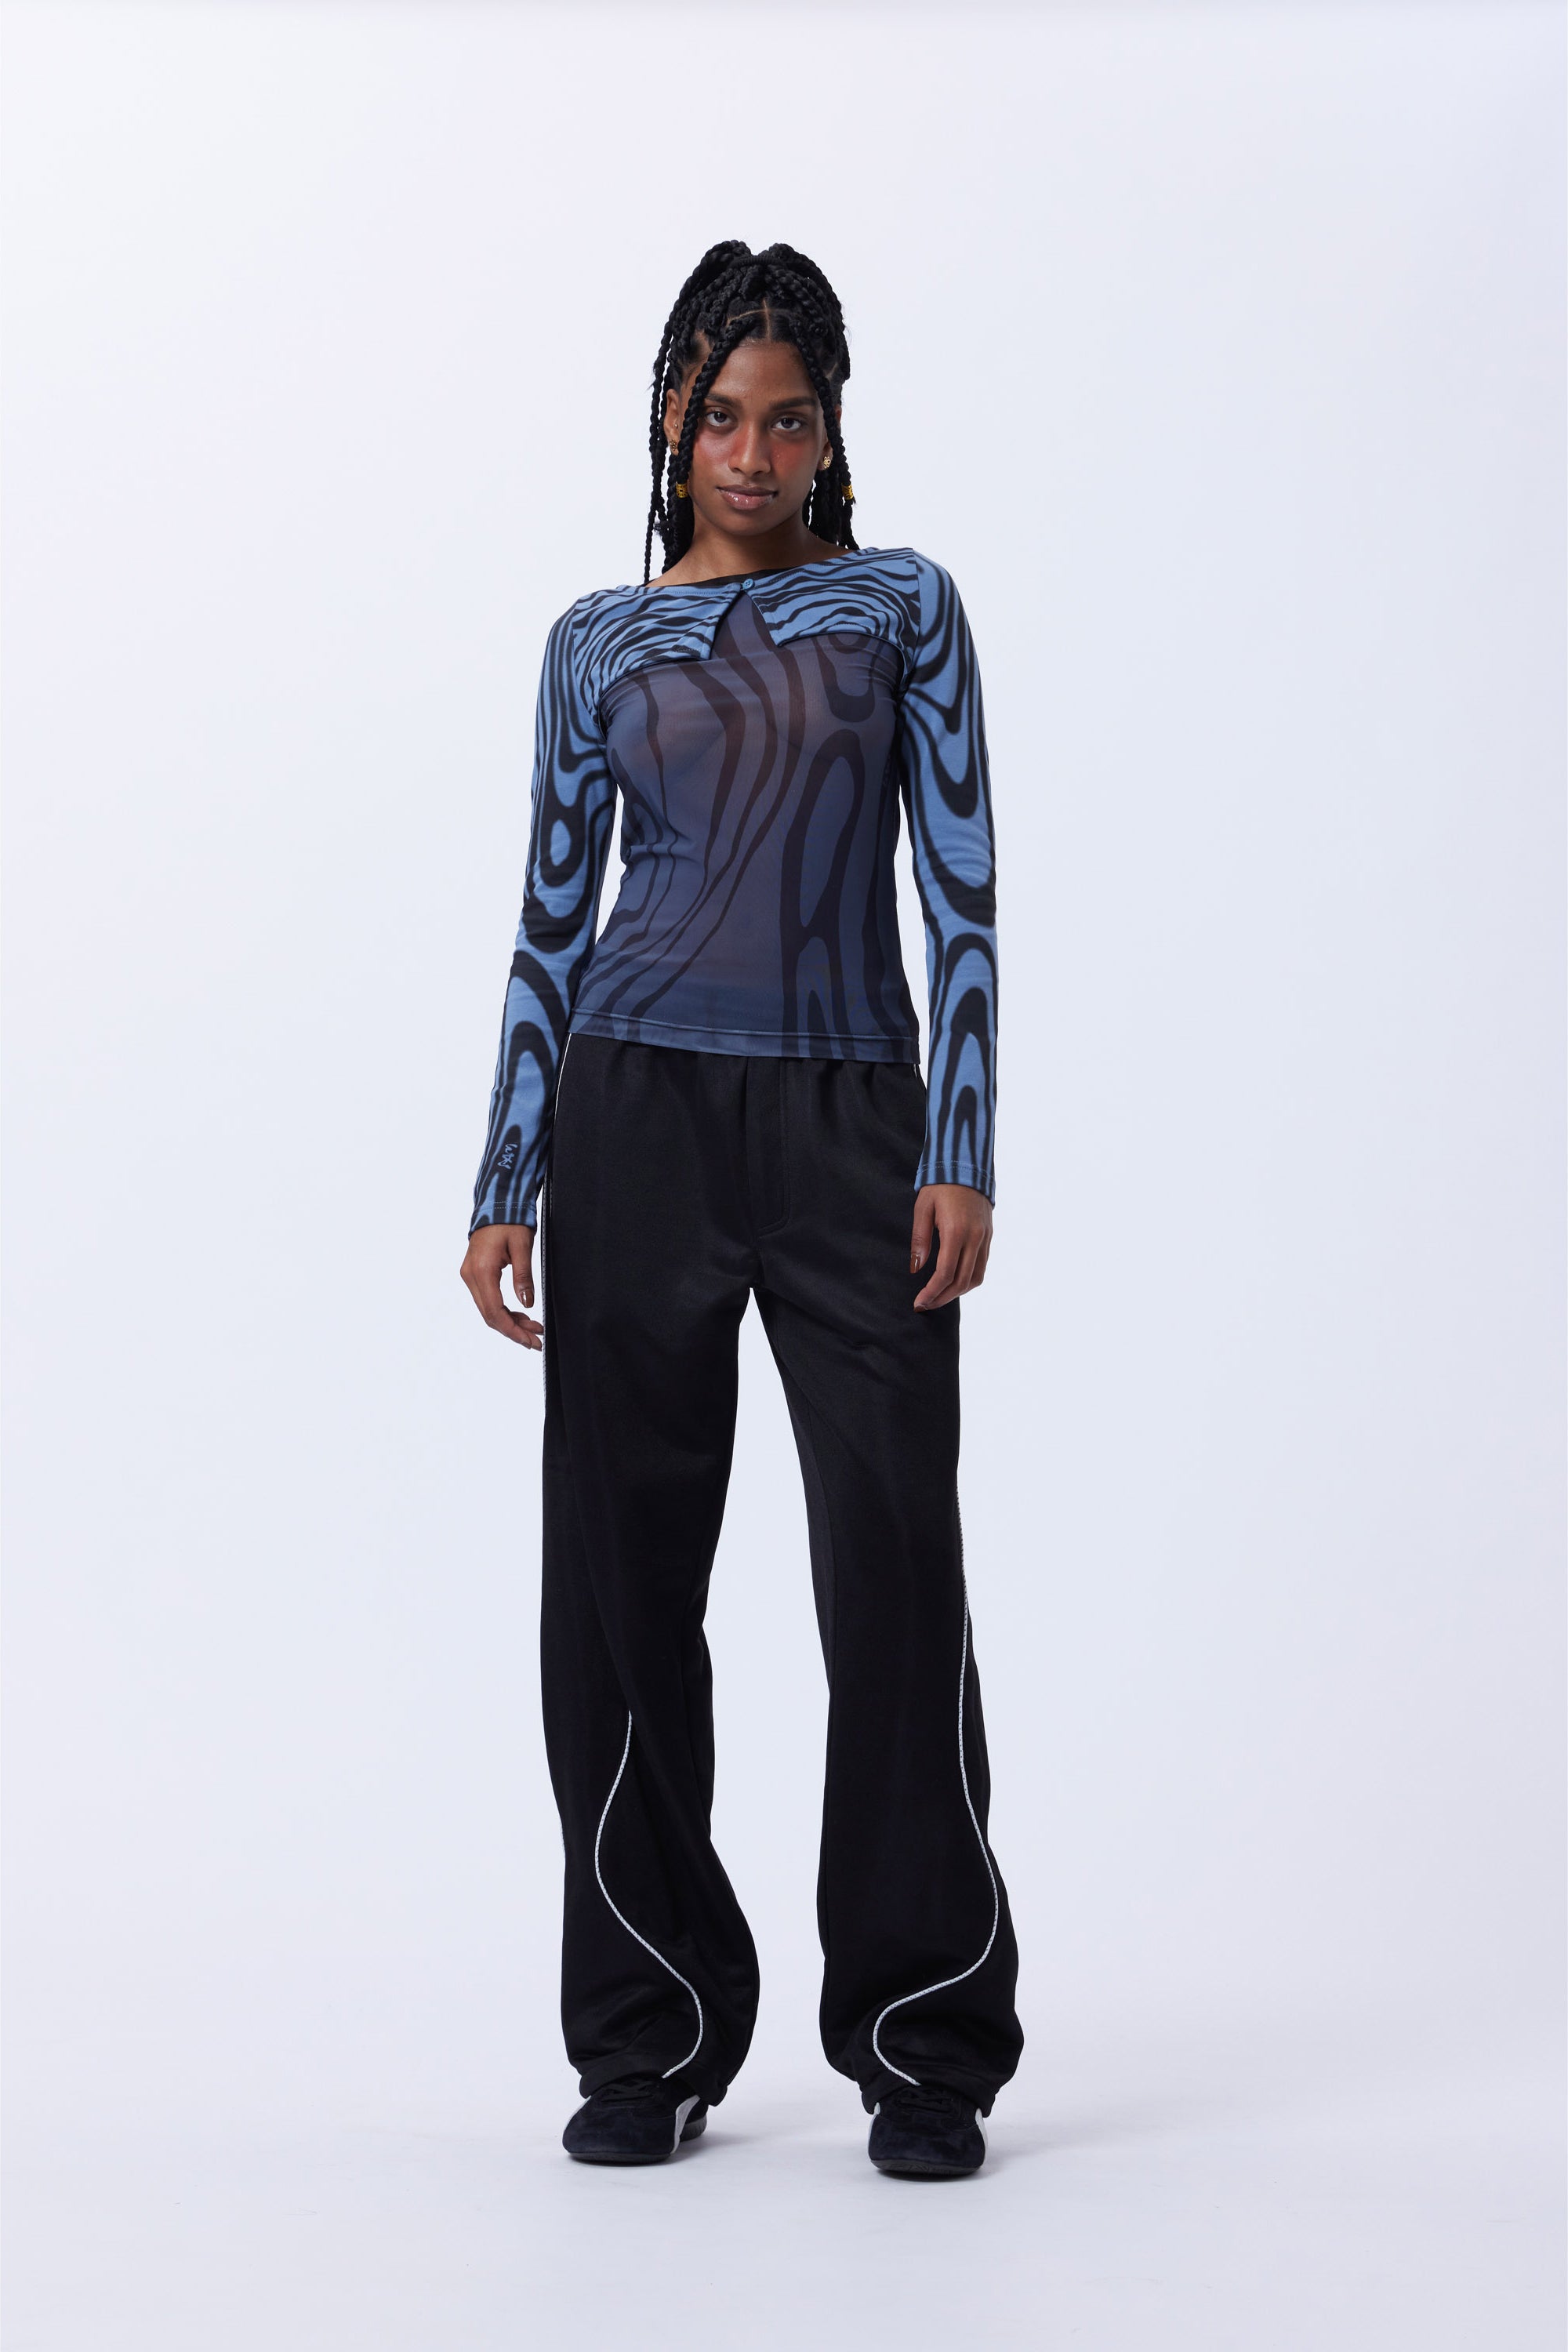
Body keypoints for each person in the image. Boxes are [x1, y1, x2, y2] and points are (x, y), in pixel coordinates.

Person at [460, 240, 1022, 2178]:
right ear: (671, 422)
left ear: (832, 432)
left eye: (791, 419)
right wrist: (505, 1174)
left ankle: (923, 2041)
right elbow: (552, 918)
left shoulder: (902, 608)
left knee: (895, 1569)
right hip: (632, 1117)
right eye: (722, 417)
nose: (755, 453)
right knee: (621, 1585)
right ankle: (649, 2035)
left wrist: (960, 1143)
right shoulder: (596, 644)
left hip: (854, 1121)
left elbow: (961, 890)